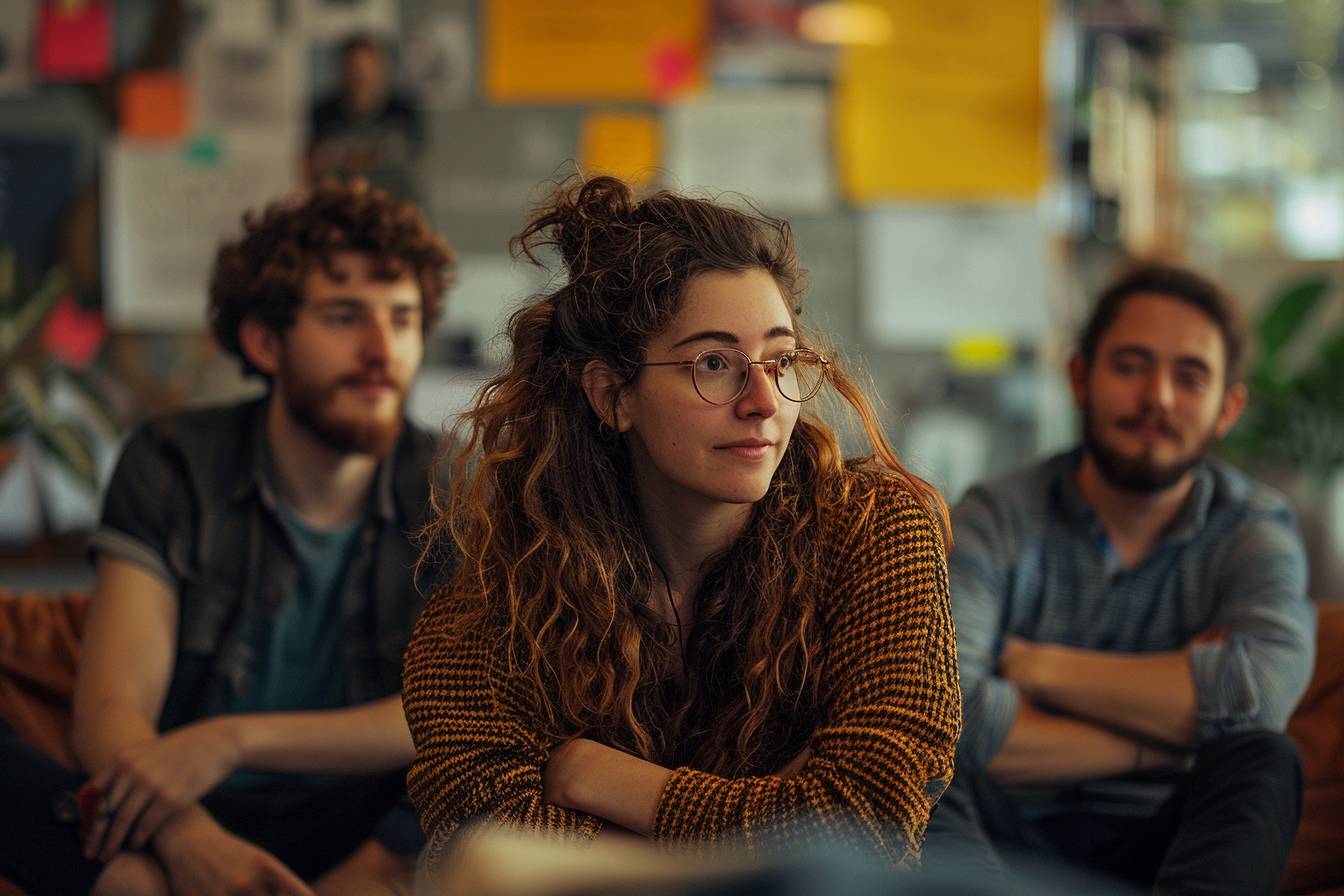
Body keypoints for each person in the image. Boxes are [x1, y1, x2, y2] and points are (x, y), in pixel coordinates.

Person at [401, 175, 962, 884]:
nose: (764, 402)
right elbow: (492, 853)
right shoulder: (501, 593)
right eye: (713, 364)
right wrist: (773, 831)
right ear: (612, 395)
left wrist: (599, 779)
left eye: (781, 359)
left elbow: (866, 819)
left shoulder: (875, 530)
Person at [0, 179, 456, 894]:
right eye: (344, 317)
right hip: (177, 806)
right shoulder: (173, 462)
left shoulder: (450, 486)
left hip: (353, 815)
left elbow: (460, 712)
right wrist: (185, 840)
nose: (381, 349)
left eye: (402, 319)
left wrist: (235, 739)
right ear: (264, 341)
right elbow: (110, 713)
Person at [929, 263, 1316, 894]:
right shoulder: (996, 516)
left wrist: (1036, 666)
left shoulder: (1253, 527)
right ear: (1081, 377)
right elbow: (951, 717)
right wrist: (1168, 737)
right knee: (913, 765)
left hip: (1170, 844)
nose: (1158, 398)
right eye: (1132, 365)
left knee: (1264, 758)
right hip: (1007, 846)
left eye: (1189, 377)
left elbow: (1259, 696)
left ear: (1228, 408)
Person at [308, 34, 424, 203]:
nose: (360, 75)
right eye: (354, 68)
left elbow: (415, 160)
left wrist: (347, 158)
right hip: (343, 210)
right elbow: (315, 163)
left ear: (380, 69)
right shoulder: (323, 112)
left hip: (394, 209)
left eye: (366, 68)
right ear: (342, 70)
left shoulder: (403, 111)